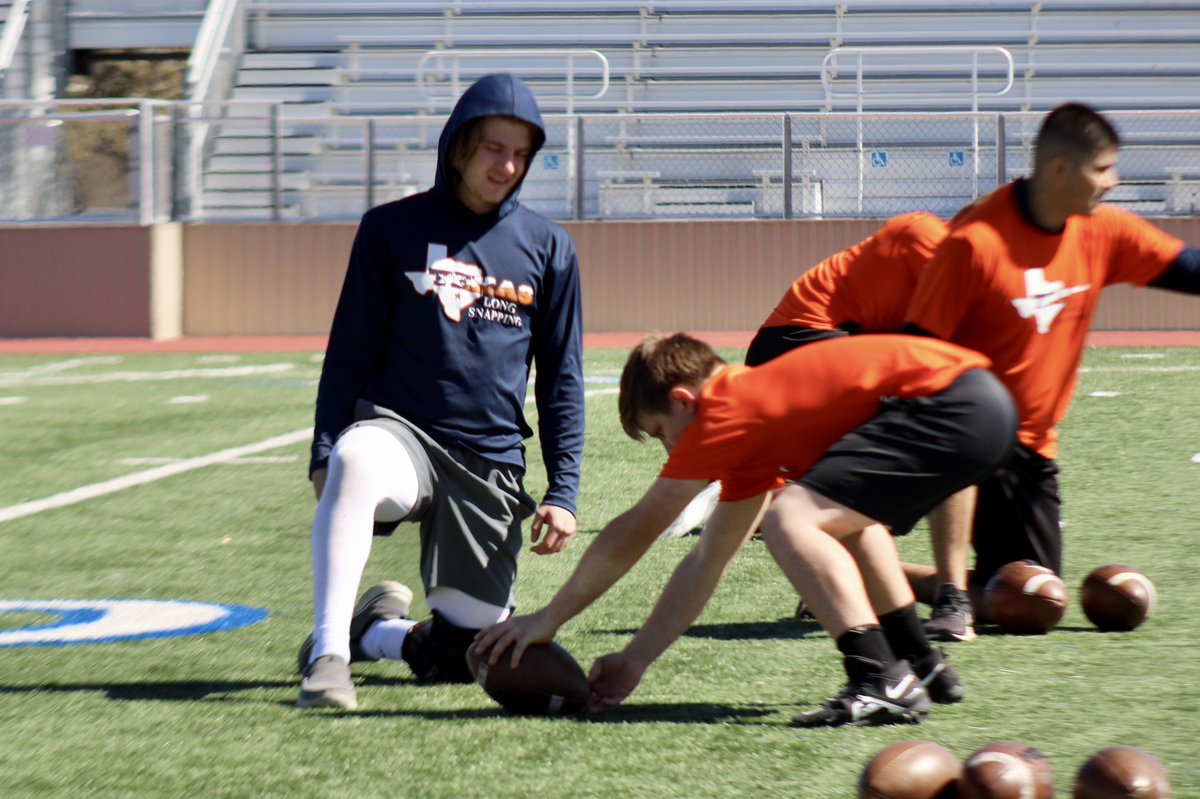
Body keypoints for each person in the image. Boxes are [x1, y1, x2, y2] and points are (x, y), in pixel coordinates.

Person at [475, 332, 1017, 727]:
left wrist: (548, 617)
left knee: (790, 517)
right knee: (841, 523)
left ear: (686, 401)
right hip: (982, 403)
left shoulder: (724, 409)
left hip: (951, 403)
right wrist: (636, 657)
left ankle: (878, 678)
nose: (671, 451)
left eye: (664, 433)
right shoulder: (759, 423)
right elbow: (706, 561)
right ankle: (920, 665)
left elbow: (635, 530)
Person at [296, 73, 585, 710]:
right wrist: (323, 448)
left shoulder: (550, 247)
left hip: (488, 465)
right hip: (403, 435)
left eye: (520, 153)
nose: (506, 165)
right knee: (355, 457)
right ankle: (327, 655)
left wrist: (562, 491)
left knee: (471, 655)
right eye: (492, 148)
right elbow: (348, 351)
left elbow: (562, 377)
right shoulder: (387, 230)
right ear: (458, 148)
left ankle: (373, 632)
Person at [901, 102, 1200, 638]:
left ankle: (879, 577)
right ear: (1060, 169)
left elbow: (1188, 269)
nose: (1114, 181)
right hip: (966, 431)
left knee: (1032, 598)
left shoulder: (1102, 231)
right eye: (1103, 168)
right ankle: (949, 596)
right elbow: (918, 352)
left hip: (1034, 444)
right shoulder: (976, 240)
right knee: (1002, 587)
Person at [660, 213, 972, 639]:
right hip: (803, 338)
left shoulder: (968, 270)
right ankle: (948, 603)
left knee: (847, 492)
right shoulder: (933, 240)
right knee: (944, 422)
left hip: (809, 342)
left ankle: (865, 592)